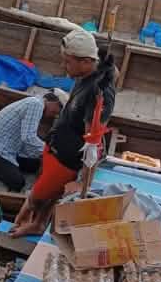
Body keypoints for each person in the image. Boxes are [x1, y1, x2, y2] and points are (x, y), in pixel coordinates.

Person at [12, 29, 116, 238]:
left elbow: (93, 144)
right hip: (56, 144)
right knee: (46, 194)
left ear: (87, 61)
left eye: (68, 62)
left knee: (38, 197)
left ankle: (35, 222)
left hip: (66, 159)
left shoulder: (99, 94)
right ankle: (38, 223)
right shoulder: (90, 71)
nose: (64, 66)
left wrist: (82, 182)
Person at [0, 90, 68, 191]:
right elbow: (28, 137)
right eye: (55, 112)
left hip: (10, 149)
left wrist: (42, 154)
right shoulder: (36, 105)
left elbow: (26, 140)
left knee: (35, 165)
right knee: (18, 182)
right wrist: (50, 151)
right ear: (54, 102)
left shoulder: (34, 102)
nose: (54, 115)